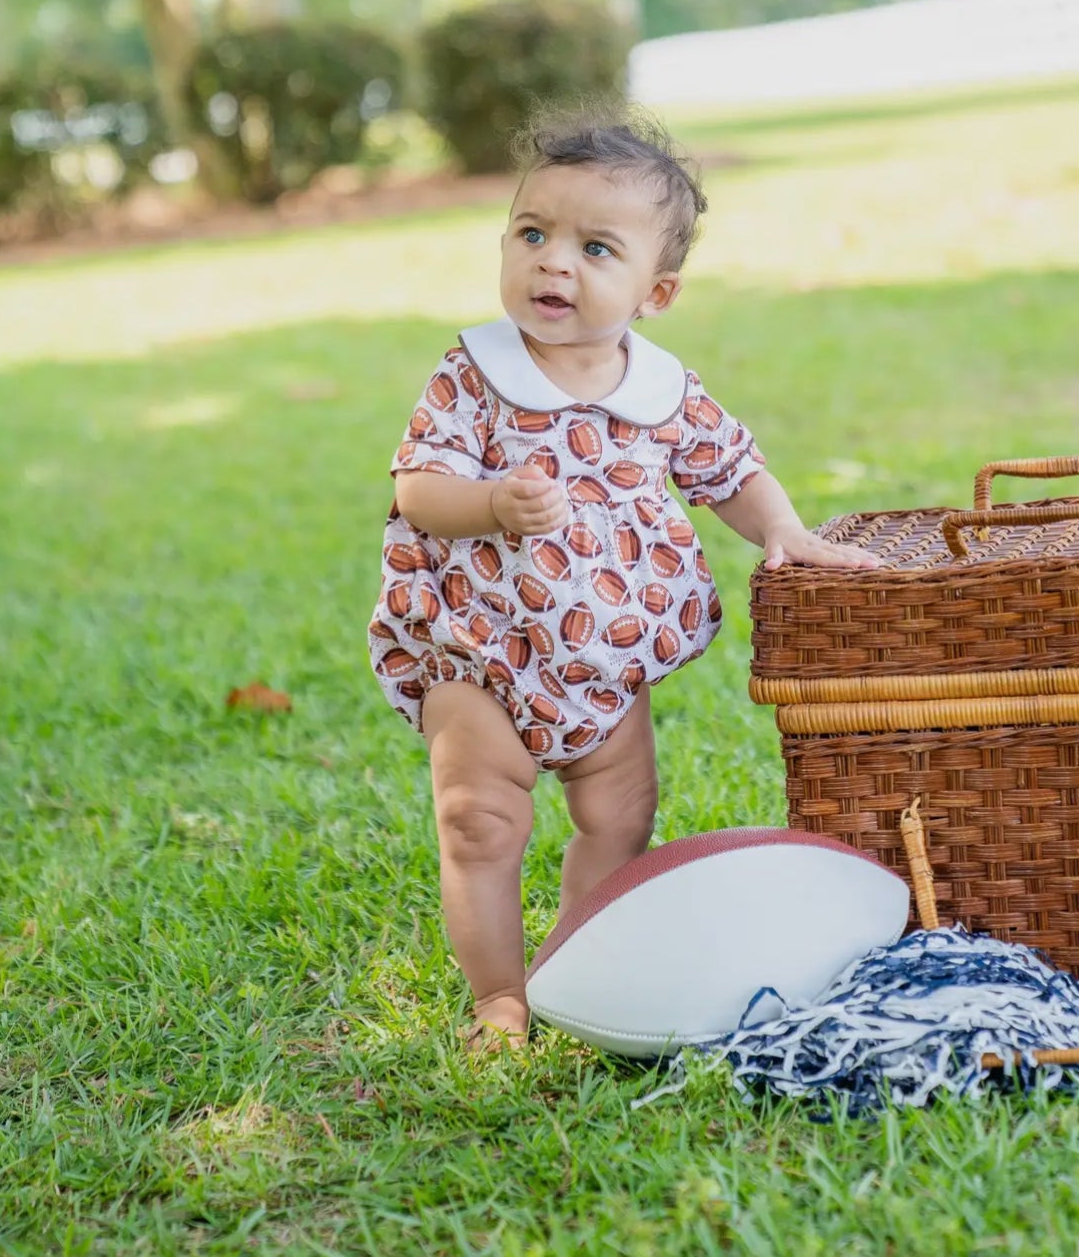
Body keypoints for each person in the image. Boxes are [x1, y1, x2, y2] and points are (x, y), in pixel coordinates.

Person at [368, 105, 881, 1050]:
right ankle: (498, 997)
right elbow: (418, 487)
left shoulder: (661, 390)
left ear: (657, 290)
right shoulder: (473, 372)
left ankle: (573, 966)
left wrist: (783, 529)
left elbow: (729, 468)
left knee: (619, 816)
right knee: (479, 819)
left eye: (595, 247)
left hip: (604, 661)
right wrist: (490, 504)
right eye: (533, 233)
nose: (553, 262)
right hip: (481, 647)